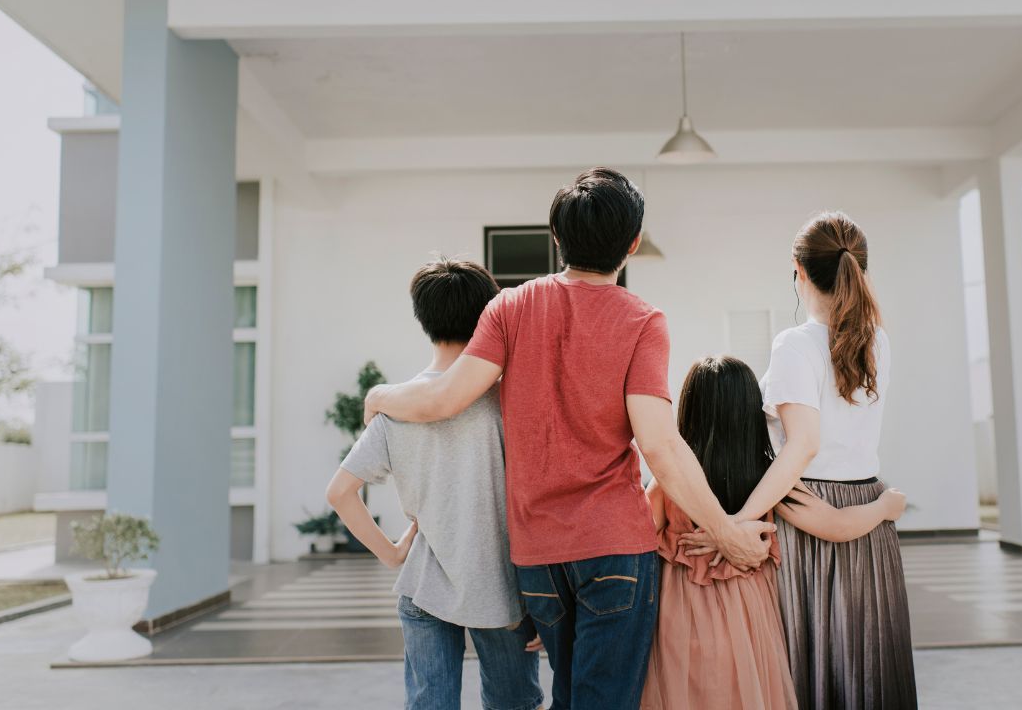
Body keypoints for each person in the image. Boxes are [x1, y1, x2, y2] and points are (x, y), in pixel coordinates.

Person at [365, 167, 774, 710]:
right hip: (614, 549)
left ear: (556, 237)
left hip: (537, 555)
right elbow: (660, 445)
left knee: (569, 694)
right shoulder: (643, 320)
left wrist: (379, 396)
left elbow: (444, 399)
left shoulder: (509, 307)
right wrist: (725, 532)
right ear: (631, 244)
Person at [714, 212, 917, 709]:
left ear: (799, 271)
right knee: (866, 659)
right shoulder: (879, 339)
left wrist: (737, 521)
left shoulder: (795, 344)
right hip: (868, 507)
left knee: (810, 662)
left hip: (808, 506)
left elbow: (801, 446)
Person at [325, 257, 542, 710]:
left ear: (423, 319)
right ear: (488, 314)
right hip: (502, 590)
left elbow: (340, 493)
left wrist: (392, 553)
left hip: (424, 583)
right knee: (514, 704)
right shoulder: (508, 400)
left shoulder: (397, 407)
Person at [643, 356, 907, 710]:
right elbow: (836, 525)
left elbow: (632, 543)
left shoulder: (667, 485)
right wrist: (885, 507)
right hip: (751, 628)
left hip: (678, 621)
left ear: (689, 409)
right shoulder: (768, 481)